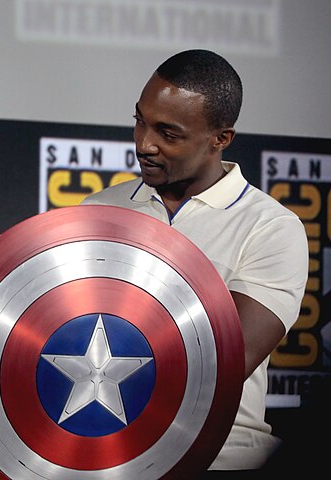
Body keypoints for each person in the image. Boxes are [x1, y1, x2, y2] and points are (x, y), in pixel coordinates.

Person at [81, 49, 308, 476]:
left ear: (220, 138)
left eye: (168, 132)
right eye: (140, 121)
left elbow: (218, 365)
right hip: (106, 456)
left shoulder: (272, 229)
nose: (144, 143)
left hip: (220, 460)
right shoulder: (98, 210)